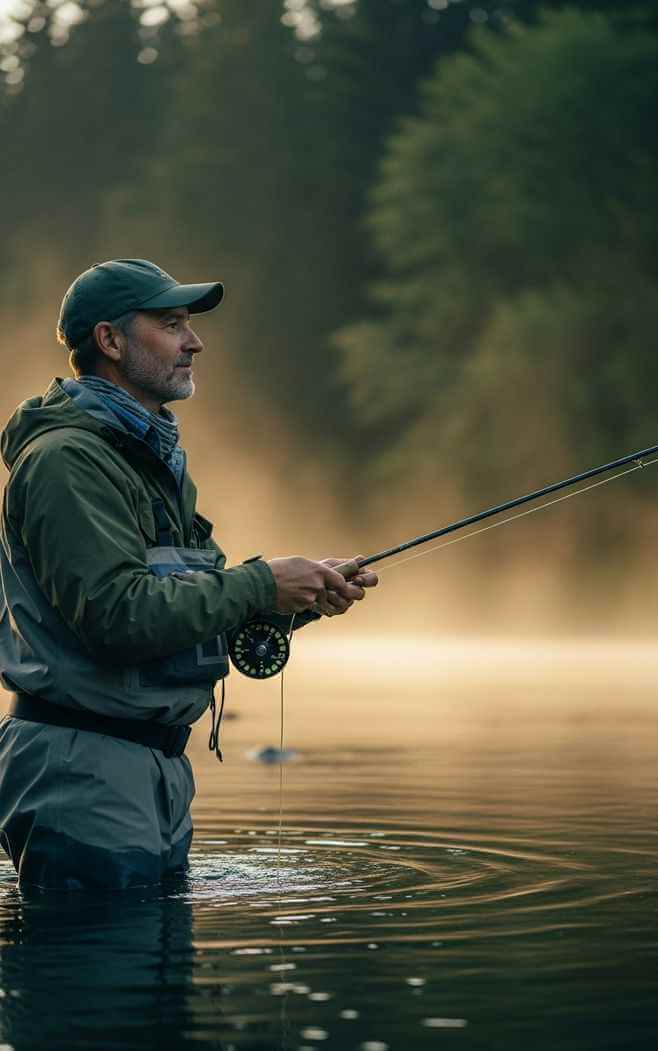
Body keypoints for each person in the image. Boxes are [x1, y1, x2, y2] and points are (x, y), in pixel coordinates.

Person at [0, 258, 378, 890]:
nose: (194, 342)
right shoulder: (67, 461)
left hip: (145, 769)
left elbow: (192, 610)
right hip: (84, 767)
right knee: (102, 949)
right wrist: (264, 583)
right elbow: (117, 617)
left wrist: (297, 598)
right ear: (110, 341)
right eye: (172, 324)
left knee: (151, 950)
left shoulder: (148, 458)